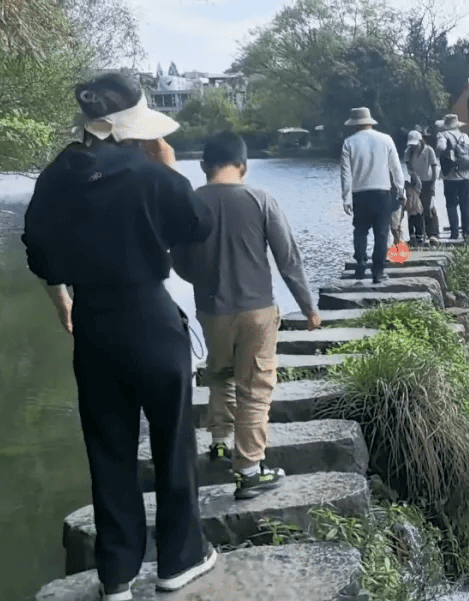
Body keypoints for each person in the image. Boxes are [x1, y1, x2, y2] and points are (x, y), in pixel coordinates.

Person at [22, 73, 217, 600]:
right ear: (130, 124)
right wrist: (170, 170)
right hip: (150, 318)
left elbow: (38, 253)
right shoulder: (149, 172)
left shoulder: (54, 177)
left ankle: (116, 575)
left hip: (94, 323)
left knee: (107, 449)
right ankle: (179, 560)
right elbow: (196, 223)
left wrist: (62, 298)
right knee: (173, 441)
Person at [170, 131, 319, 502]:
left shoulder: (190, 204)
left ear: (204, 166)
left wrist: (204, 281)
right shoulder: (261, 199)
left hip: (211, 311)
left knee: (219, 373)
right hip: (257, 310)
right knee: (255, 387)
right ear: (244, 165)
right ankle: (250, 471)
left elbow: (178, 261)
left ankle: (219, 441)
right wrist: (308, 307)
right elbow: (289, 259)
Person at [341, 107, 405, 282]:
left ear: (354, 125)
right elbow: (396, 168)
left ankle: (361, 263)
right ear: (370, 122)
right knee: (381, 233)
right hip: (382, 193)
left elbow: (346, 174)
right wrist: (401, 189)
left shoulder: (349, 143)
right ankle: (378, 272)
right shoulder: (386, 139)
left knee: (360, 231)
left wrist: (346, 198)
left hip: (360, 194)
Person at [435, 113, 469, 240]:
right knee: (466, 207)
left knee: (451, 205)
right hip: (467, 176)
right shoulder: (465, 136)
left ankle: (454, 233)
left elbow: (440, 146)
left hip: (451, 177)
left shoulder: (442, 135)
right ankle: (466, 233)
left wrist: (441, 151)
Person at [404, 130, 440, 244]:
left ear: (420, 141)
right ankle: (418, 234)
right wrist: (416, 179)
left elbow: (434, 167)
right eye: (412, 145)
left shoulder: (428, 150)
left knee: (429, 207)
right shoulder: (408, 152)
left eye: (415, 144)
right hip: (415, 182)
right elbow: (409, 169)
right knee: (415, 208)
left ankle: (433, 234)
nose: (414, 147)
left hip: (428, 181)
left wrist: (433, 183)